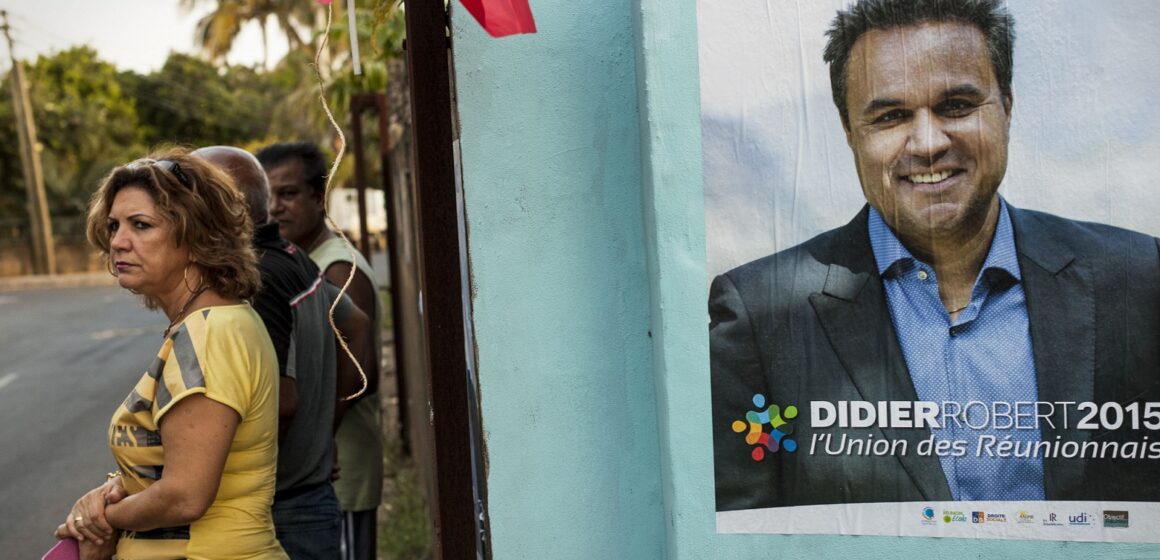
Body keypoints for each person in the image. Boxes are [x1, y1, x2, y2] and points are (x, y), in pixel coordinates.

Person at [710, 0, 1160, 511]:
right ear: (848, 130)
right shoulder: (758, 320)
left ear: (1006, 106)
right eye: (892, 115)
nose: (927, 142)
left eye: (956, 106)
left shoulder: (1140, 281)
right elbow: (739, 535)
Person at [54, 149, 288, 558]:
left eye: (141, 225)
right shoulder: (211, 323)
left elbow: (185, 495)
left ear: (197, 237)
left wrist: (104, 518)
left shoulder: (210, 332)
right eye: (113, 225)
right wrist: (116, 491)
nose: (118, 242)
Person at [194, 146, 372, 559]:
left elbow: (281, 404)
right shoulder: (292, 258)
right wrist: (324, 433)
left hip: (282, 511)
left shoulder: (255, 276)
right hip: (306, 499)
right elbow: (356, 325)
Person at [257, 142, 383, 560]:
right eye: (268, 195)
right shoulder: (301, 261)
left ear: (318, 198)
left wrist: (324, 436)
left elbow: (362, 373)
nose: (275, 208)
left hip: (336, 467)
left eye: (289, 194)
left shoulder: (337, 269)